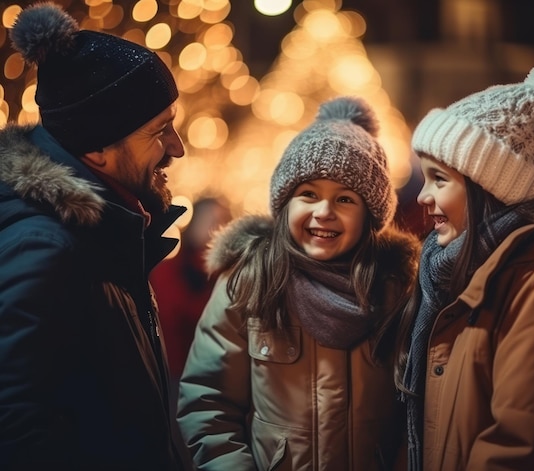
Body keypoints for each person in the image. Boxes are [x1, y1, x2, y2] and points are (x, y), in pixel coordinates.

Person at [396, 57, 534, 471]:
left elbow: (523, 447)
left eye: (440, 179)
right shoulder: (465, 272)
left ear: (491, 185)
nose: (423, 197)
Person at [177, 96, 421, 470]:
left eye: (344, 199)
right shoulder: (249, 282)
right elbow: (208, 402)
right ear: (285, 202)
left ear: (370, 216)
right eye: (309, 194)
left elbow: (412, 413)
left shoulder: (393, 291)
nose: (324, 212)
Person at [0, 3, 193, 470]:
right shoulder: (47, 248)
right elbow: (18, 430)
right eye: (159, 130)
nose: (177, 147)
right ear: (97, 149)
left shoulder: (107, 229)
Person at [151, 197, 232, 389]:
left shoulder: (229, 276)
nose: (216, 230)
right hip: (173, 374)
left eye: (222, 222)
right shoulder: (167, 271)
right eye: (210, 221)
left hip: (215, 376)